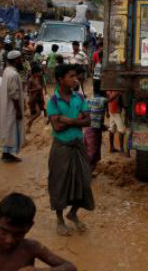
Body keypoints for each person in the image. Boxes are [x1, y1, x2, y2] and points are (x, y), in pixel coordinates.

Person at [0, 192, 76, 271]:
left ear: (29, 227)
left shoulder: (32, 248)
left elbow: (70, 267)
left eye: (18, 234)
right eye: (4, 231)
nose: (9, 240)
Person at [47, 64, 94, 236]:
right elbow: (57, 127)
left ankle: (73, 213)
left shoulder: (79, 98)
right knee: (59, 183)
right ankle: (59, 219)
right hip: (61, 147)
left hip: (78, 146)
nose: (76, 79)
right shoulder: (53, 100)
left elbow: (89, 121)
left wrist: (66, 119)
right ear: (60, 79)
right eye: (71, 76)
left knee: (84, 181)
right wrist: (77, 119)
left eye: (76, 76)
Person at [0, 51, 25, 162]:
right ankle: (8, 154)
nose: (21, 61)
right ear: (17, 60)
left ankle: (6, 153)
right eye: (20, 59)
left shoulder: (6, 71)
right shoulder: (13, 74)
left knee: (8, 129)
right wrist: (18, 110)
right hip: (12, 107)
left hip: (6, 105)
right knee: (11, 129)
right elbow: (14, 94)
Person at [84, 94, 106, 173]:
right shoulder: (102, 100)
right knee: (92, 152)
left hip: (90, 128)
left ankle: (89, 170)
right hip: (93, 129)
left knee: (92, 151)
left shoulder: (89, 100)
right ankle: (86, 172)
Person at [106, 90, 129, 156]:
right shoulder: (118, 92)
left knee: (112, 129)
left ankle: (111, 148)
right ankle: (122, 150)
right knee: (121, 130)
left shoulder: (109, 90)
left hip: (111, 110)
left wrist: (107, 111)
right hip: (117, 111)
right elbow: (122, 103)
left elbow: (107, 101)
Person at [27, 63, 46, 133]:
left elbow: (41, 87)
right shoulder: (30, 80)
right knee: (37, 113)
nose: (40, 73)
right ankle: (29, 123)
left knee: (41, 110)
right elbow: (28, 90)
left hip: (38, 97)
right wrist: (37, 89)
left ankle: (28, 127)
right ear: (35, 73)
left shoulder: (37, 78)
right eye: (39, 72)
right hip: (33, 98)